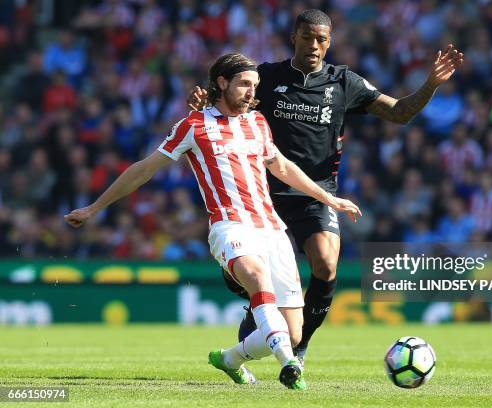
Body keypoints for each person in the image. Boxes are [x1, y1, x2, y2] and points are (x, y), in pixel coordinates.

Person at [64, 53, 361, 390]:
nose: (252, 92)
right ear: (222, 82)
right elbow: (143, 170)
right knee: (255, 276)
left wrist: (329, 198)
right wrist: (94, 208)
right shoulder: (193, 126)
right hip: (229, 226)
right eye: (245, 84)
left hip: (273, 230)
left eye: (255, 86)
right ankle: (289, 365)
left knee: (294, 332)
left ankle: (230, 359)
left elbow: (283, 167)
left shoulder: (258, 123)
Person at [188, 9, 464, 362]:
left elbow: (400, 112)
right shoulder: (268, 77)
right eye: (308, 38)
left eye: (322, 40)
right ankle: (252, 327)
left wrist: (430, 84)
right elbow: (228, 101)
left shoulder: (343, 82)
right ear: (295, 37)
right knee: (257, 279)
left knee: (326, 265)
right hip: (263, 194)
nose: (314, 46)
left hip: (315, 192)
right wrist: (202, 106)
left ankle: (299, 348)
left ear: (330, 42)